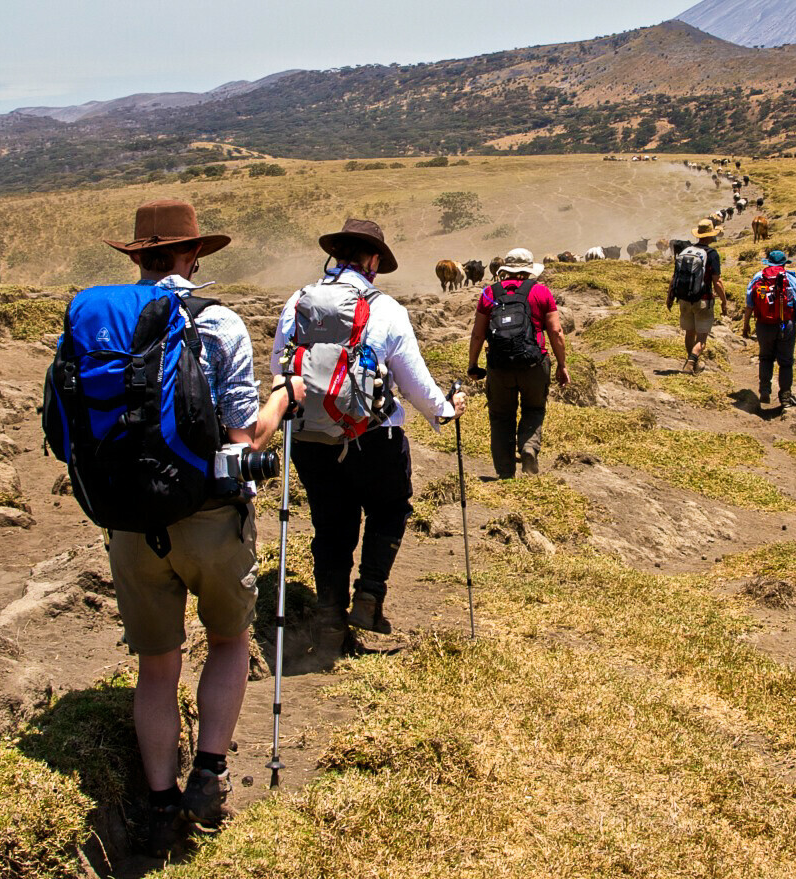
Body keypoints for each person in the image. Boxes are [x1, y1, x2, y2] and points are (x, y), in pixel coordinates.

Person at [94, 200, 302, 854]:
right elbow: (246, 435)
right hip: (211, 516)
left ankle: (158, 804)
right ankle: (208, 775)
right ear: (193, 255)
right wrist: (284, 396)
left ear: (136, 257)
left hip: (131, 522)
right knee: (229, 638)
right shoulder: (219, 322)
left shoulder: (102, 326)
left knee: (156, 667)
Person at [271, 219, 464, 647]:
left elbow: (277, 368)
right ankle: (370, 596)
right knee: (390, 509)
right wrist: (447, 410)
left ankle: (328, 617)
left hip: (311, 438)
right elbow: (415, 385)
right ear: (373, 259)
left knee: (331, 526)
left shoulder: (296, 302)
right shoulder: (387, 309)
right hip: (374, 437)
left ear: (336, 255)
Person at [466, 248, 569, 479]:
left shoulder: (489, 293)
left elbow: (477, 335)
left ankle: (505, 474)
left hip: (499, 366)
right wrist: (562, 365)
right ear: (528, 270)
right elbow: (556, 331)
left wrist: (473, 364)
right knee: (534, 409)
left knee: (501, 417)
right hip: (534, 364)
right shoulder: (541, 292)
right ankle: (529, 447)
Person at [742, 250, 796, 411]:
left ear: (768, 263)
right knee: (786, 362)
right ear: (784, 264)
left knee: (765, 357)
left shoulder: (758, 278)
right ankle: (785, 396)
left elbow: (750, 304)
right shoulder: (791, 279)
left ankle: (764, 390)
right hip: (786, 324)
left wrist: (746, 324)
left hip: (763, 324)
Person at [667, 218, 728, 373]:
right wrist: (724, 301)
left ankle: (692, 362)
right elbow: (717, 281)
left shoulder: (685, 251)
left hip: (684, 299)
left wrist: (670, 297)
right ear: (710, 236)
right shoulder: (712, 254)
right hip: (703, 300)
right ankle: (691, 361)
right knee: (702, 337)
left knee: (689, 333)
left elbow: (674, 277)